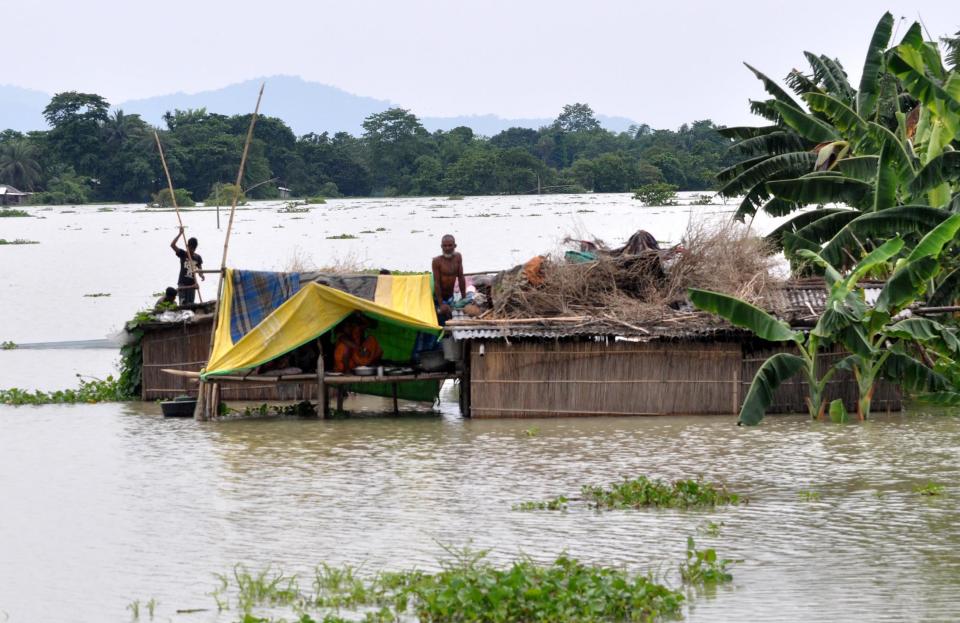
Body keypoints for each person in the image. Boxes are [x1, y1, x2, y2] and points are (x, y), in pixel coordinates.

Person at [431, 234, 466, 324]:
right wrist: (441, 303)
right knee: (441, 319)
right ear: (441, 246)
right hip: (439, 297)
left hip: (450, 296)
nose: (447, 248)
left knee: (449, 318)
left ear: (455, 246)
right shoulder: (437, 261)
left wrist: (464, 297)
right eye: (445, 246)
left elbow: (461, 277)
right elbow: (437, 283)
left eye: (450, 245)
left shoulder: (458, 257)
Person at [170, 227, 204, 305]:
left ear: (195, 248)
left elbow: (200, 270)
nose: (191, 250)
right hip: (182, 283)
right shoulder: (183, 254)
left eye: (193, 249)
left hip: (192, 284)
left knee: (191, 304)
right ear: (187, 246)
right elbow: (172, 245)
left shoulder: (198, 257)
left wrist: (201, 275)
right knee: (183, 304)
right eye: (190, 248)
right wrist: (180, 234)